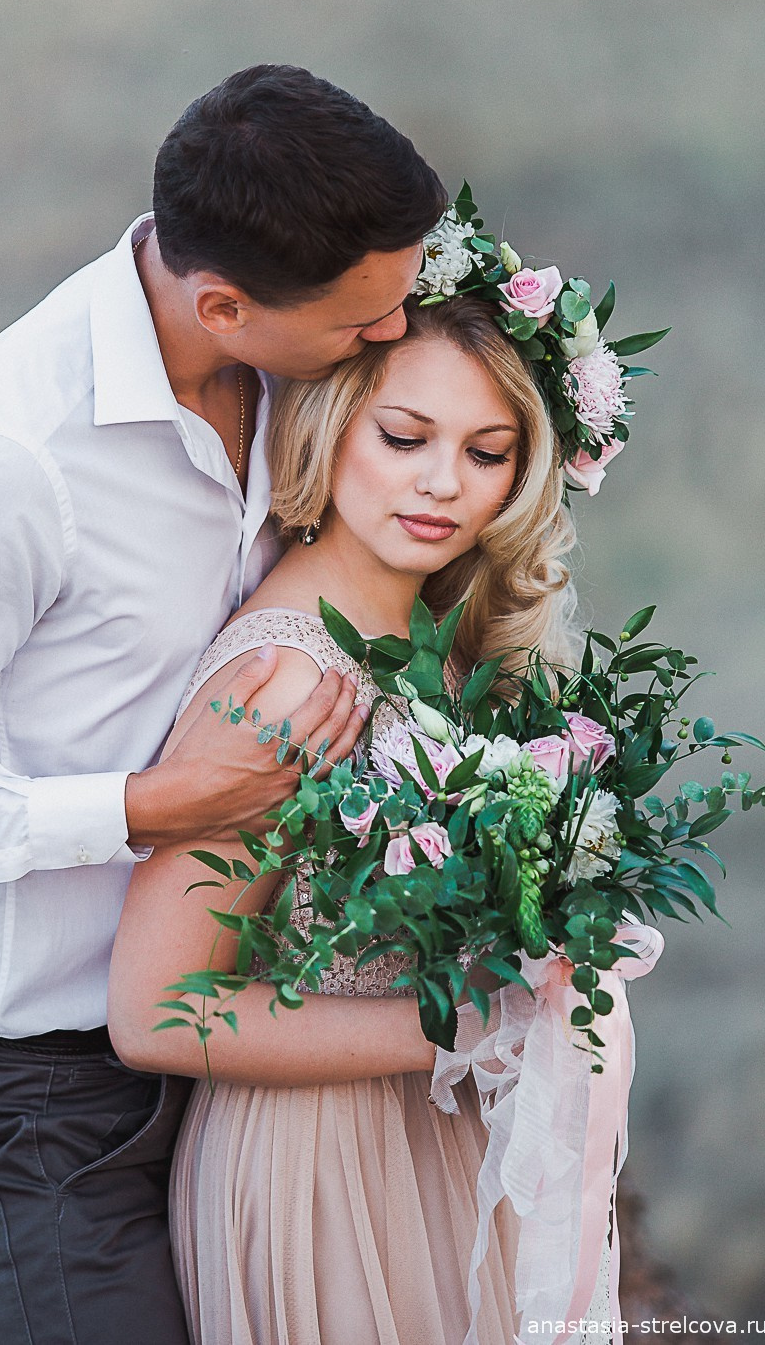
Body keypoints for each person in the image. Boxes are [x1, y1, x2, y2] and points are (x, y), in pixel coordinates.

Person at [0, 65, 448, 1344]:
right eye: (362, 325)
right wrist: (149, 806)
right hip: (24, 1093)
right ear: (222, 304)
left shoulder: (295, 359)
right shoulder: (4, 467)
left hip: (234, 1040)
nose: (390, 344)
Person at [107, 293, 616, 1344]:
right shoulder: (288, 679)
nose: (441, 483)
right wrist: (463, 1028)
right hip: (316, 1163)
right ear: (328, 424)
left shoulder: (448, 646)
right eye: (403, 436)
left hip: (435, 1132)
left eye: (487, 452)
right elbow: (157, 1012)